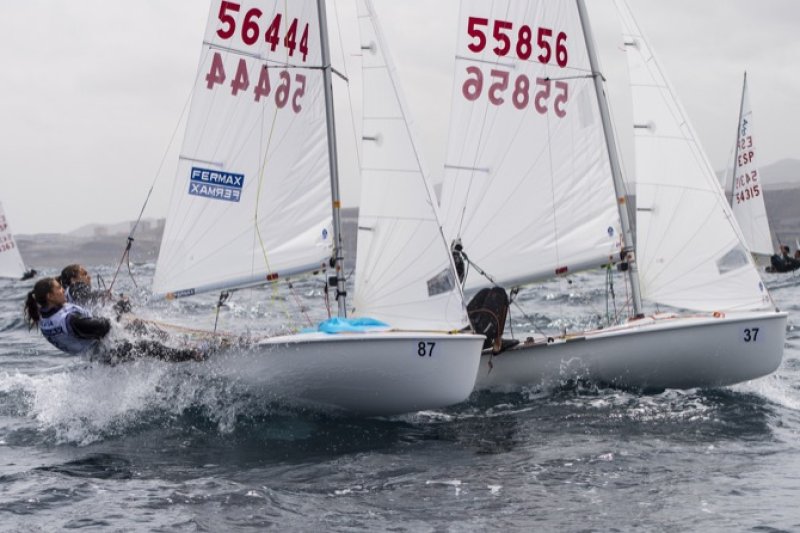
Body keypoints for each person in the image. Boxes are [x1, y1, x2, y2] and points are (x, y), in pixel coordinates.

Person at [24, 277, 203, 363]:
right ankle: (193, 355)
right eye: (58, 288)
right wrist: (117, 310)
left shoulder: (44, 317)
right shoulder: (69, 319)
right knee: (147, 346)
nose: (62, 290)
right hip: (105, 354)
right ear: (50, 296)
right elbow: (103, 328)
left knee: (139, 327)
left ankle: (181, 344)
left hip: (94, 357)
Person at [59, 263, 131, 315]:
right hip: (88, 326)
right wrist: (103, 294)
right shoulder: (75, 287)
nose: (89, 277)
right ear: (73, 280)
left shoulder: (67, 292)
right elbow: (84, 294)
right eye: (84, 274)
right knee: (124, 302)